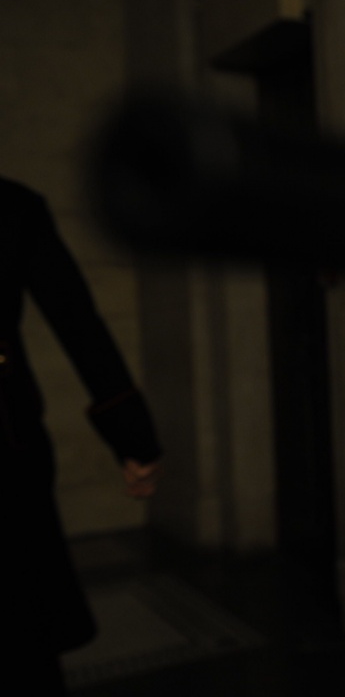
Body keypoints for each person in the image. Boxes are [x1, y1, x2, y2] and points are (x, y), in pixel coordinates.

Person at [0, 175, 163, 695]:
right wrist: (134, 440)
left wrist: (133, 436)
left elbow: (77, 320)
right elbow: (78, 321)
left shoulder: (14, 209)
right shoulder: (14, 207)